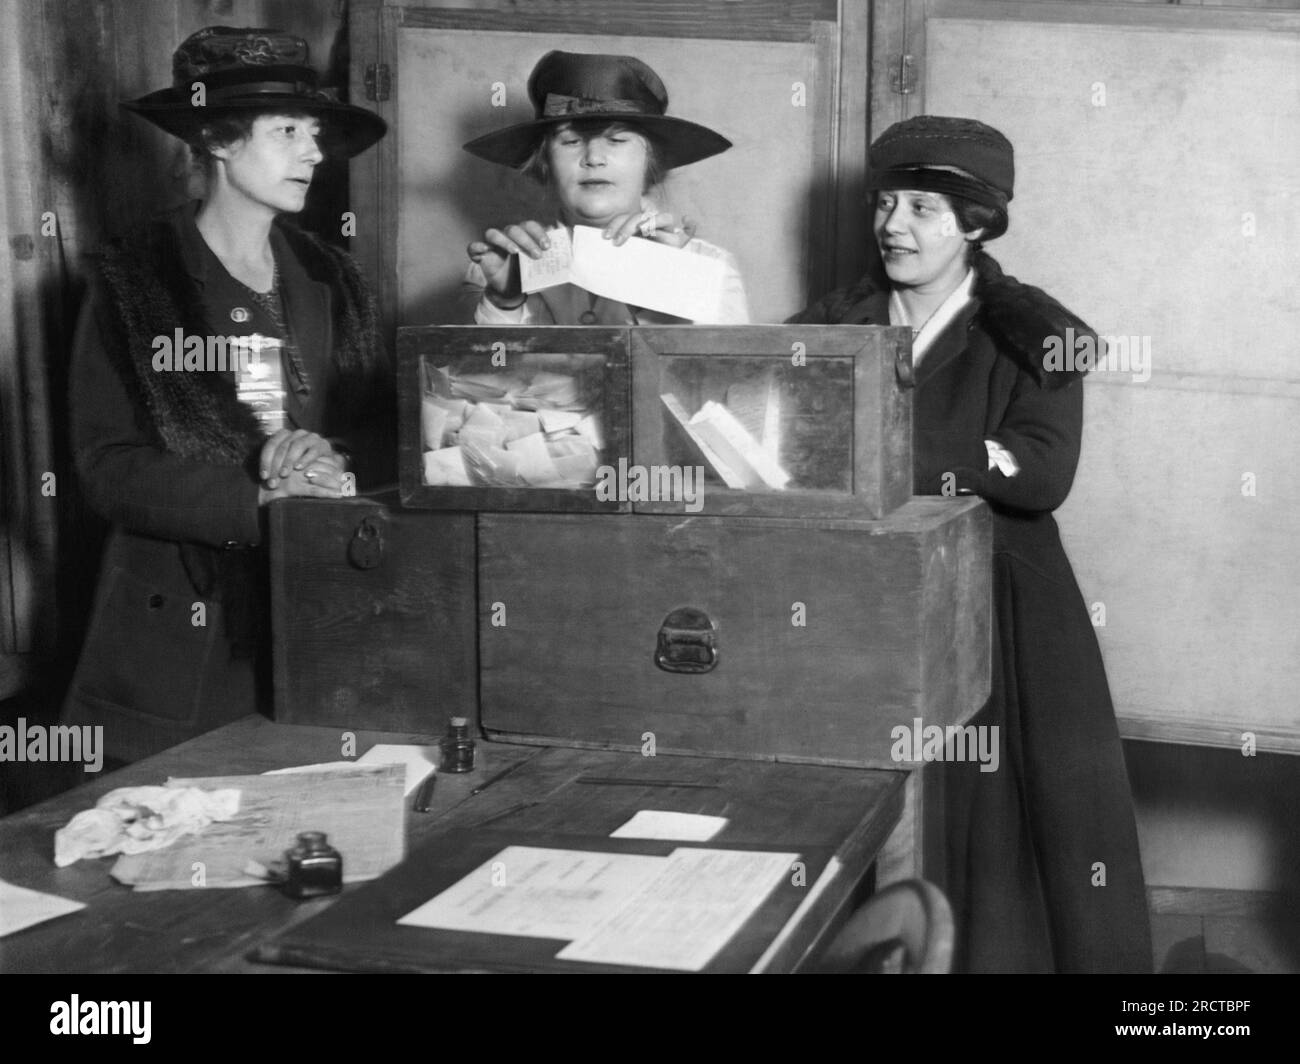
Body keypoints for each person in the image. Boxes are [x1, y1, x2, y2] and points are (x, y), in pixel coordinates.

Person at [791, 115, 1153, 973]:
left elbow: (1040, 475)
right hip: (858, 590)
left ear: (977, 224)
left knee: (1000, 820)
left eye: (923, 208)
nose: (892, 226)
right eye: (886, 203)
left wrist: (895, 453)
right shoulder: (830, 324)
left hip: (999, 602)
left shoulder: (1033, 332)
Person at [63, 26, 393, 764]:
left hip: (319, 620)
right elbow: (105, 467)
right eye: (286, 131)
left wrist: (326, 465)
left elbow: (375, 431)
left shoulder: (332, 276)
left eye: (314, 132)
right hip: (182, 638)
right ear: (215, 137)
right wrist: (257, 497)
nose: (313, 151)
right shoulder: (132, 280)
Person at [461, 50, 750, 325]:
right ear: (544, 162)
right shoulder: (497, 269)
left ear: (651, 161)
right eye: (571, 141)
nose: (594, 158)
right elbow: (477, 374)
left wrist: (664, 281)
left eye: (617, 140)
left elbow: (724, 374)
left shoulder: (709, 267)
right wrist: (504, 301)